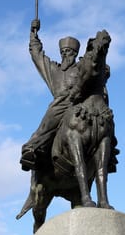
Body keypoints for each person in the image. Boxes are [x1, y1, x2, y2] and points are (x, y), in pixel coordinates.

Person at [20, 20, 83, 171]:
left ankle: (109, 153)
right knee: (48, 121)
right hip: (60, 105)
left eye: (68, 52)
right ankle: (30, 149)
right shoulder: (54, 69)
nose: (65, 54)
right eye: (63, 52)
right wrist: (33, 34)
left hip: (80, 105)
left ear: (75, 54)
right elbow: (37, 55)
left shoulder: (82, 68)